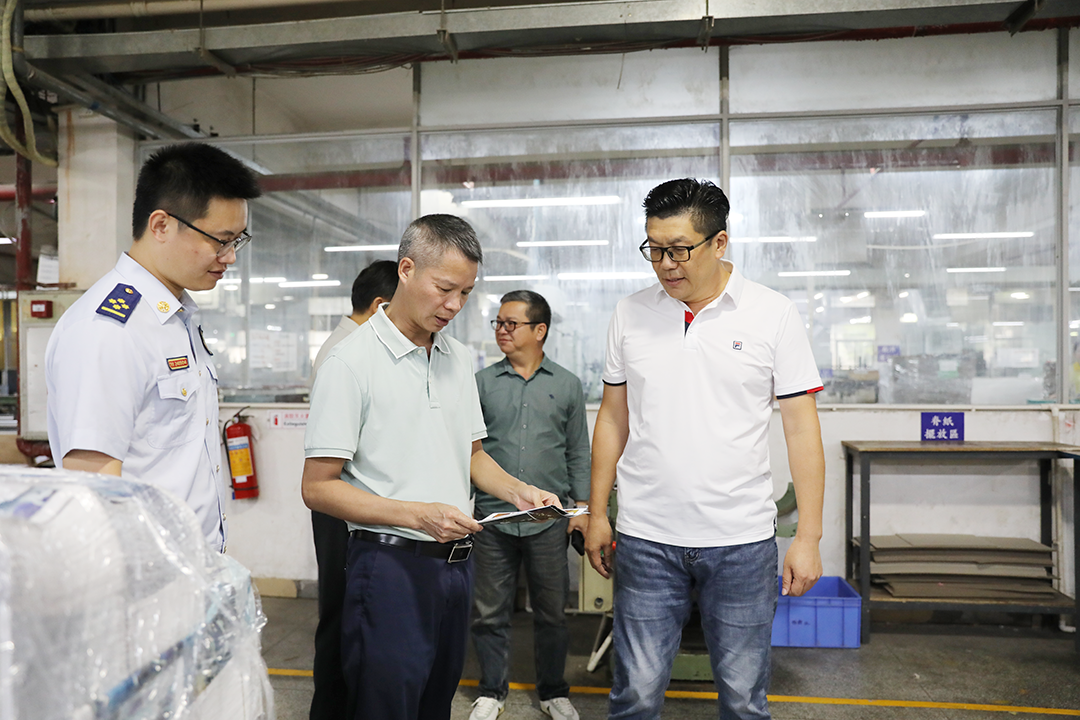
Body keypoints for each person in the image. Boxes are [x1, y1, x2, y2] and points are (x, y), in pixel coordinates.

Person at [301, 214, 560, 720]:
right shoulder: (350, 362)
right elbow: (318, 488)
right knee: (385, 706)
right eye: (444, 289)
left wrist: (519, 492)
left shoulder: (458, 357)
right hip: (389, 566)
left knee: (433, 705)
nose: (455, 306)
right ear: (406, 269)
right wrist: (418, 515)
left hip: (456, 566)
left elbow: (472, 455)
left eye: (466, 293)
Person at [584, 178, 825, 720]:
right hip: (646, 537)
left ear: (719, 243)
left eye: (679, 250)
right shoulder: (630, 313)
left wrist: (808, 537)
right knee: (634, 696)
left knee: (743, 699)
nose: (666, 265)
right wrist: (597, 513)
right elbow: (613, 417)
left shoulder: (772, 313)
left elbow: (801, 430)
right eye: (654, 250)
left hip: (741, 540)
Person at [45, 142, 261, 553]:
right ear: (160, 225)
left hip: (192, 567)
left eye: (238, 240)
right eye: (220, 240)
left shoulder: (176, 318)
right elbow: (93, 481)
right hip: (145, 576)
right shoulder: (109, 331)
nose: (230, 257)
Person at [469, 290, 591, 720]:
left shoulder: (567, 385)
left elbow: (577, 450)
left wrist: (582, 511)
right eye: (498, 323)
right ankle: (491, 691)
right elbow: (468, 450)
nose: (501, 330)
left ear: (540, 330)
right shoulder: (481, 384)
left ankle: (553, 692)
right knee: (488, 613)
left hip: (548, 521)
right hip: (492, 518)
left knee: (552, 613)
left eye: (511, 323)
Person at [308, 259, 398, 720]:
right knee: (342, 613)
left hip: (350, 501)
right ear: (382, 305)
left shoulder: (350, 345)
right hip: (340, 502)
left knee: (347, 612)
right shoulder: (345, 353)